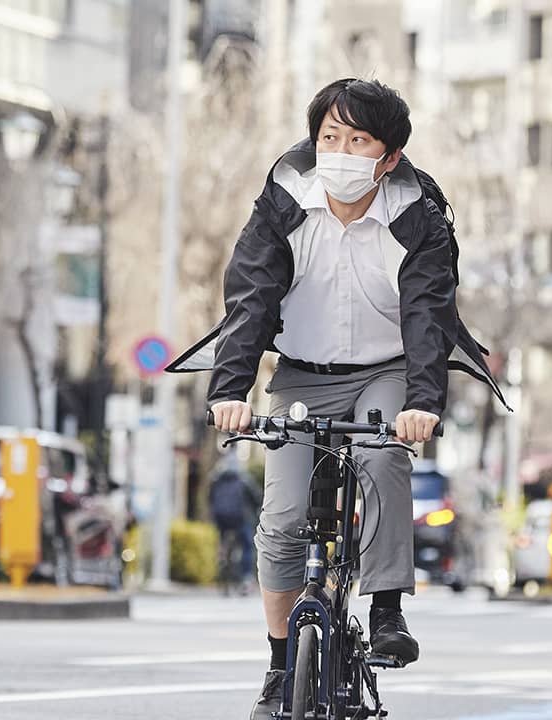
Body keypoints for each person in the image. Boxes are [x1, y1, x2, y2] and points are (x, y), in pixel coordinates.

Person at [166, 78, 508, 720]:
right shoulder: (282, 204)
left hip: (387, 370)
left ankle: (385, 611)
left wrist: (423, 404)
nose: (341, 151)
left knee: (383, 461)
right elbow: (249, 300)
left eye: (359, 140)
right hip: (301, 372)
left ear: (389, 159)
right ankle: (276, 668)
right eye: (330, 137)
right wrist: (231, 391)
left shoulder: (418, 220)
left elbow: (429, 316)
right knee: (282, 519)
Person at [207, 452, 261, 594]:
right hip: (240, 519)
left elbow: (210, 499)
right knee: (247, 546)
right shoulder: (244, 479)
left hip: (221, 519)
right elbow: (256, 498)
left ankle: (222, 556)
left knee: (223, 539)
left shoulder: (216, 479)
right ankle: (246, 578)